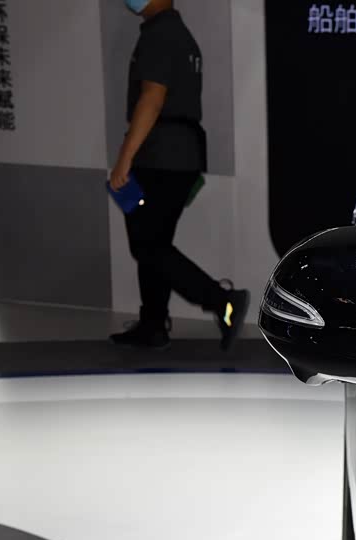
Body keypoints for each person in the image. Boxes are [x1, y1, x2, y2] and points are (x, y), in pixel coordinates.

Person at [110, 0, 249, 351]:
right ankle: (153, 324)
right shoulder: (178, 34)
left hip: (161, 156)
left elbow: (152, 99)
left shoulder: (161, 34)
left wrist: (124, 158)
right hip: (179, 156)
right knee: (153, 241)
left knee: (149, 245)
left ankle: (222, 301)